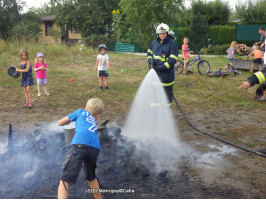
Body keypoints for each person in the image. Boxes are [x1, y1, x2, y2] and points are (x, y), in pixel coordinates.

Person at [57, 98, 104, 199]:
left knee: (64, 179)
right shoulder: (93, 120)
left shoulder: (80, 112)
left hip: (79, 146)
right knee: (91, 177)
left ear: (86, 107)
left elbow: (60, 123)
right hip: (94, 148)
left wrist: (68, 122)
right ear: (98, 115)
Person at [147, 23, 179, 106]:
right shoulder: (154, 43)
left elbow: (172, 60)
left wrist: (160, 68)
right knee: (154, 99)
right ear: (158, 34)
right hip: (154, 78)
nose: (162, 35)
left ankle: (166, 115)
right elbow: (149, 53)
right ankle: (154, 113)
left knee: (166, 100)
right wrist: (150, 62)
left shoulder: (172, 45)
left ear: (167, 33)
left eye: (163, 33)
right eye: (160, 33)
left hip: (166, 78)